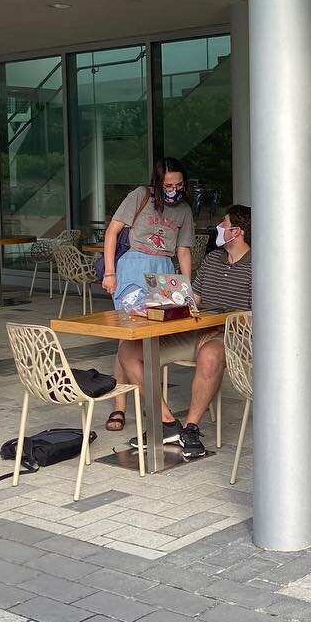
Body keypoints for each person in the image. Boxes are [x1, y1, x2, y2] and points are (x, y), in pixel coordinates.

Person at [115, 206, 252, 460]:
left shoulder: (258, 265)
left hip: (230, 335)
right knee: (129, 350)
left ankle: (190, 428)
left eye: (224, 223)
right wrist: (168, 301)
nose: (219, 228)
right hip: (195, 329)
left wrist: (222, 320)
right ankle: (167, 422)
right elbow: (195, 298)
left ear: (237, 231)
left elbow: (258, 314)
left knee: (210, 355)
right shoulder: (212, 259)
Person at [102, 158, 195, 433]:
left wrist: (185, 290)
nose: (173, 189)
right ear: (157, 182)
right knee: (127, 336)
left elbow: (184, 251)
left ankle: (147, 395)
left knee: (152, 337)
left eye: (178, 184)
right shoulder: (140, 196)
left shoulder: (185, 210)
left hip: (164, 270)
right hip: (133, 266)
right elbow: (112, 231)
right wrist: (109, 272)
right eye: (168, 185)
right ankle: (120, 405)